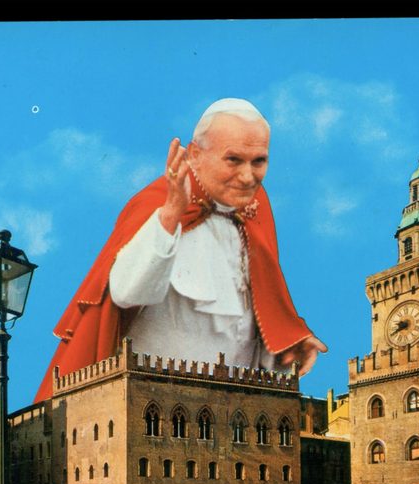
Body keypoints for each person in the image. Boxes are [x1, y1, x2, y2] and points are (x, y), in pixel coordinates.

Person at [33, 98, 327, 406]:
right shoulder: (157, 204)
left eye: (258, 161)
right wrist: (171, 214)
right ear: (195, 155)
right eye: (234, 160)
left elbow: (253, 322)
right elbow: (124, 292)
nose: (247, 176)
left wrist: (286, 348)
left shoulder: (255, 212)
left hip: (231, 409)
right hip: (153, 407)